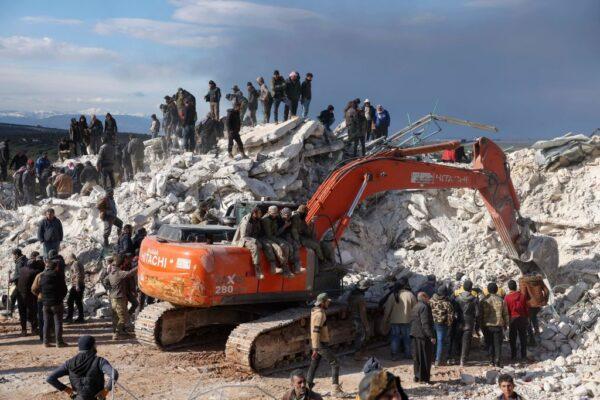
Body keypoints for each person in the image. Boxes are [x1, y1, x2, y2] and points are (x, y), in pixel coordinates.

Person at [46, 335, 118, 400]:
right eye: (95, 345)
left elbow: (50, 378)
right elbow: (113, 373)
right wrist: (106, 391)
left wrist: (67, 390)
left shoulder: (69, 363)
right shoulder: (99, 361)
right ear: (92, 346)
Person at [306, 293, 344, 396]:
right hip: (320, 344)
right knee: (335, 363)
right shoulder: (320, 314)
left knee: (314, 365)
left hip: (317, 343)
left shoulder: (315, 311)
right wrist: (315, 348)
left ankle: (306, 389)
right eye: (327, 302)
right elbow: (316, 332)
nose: (329, 303)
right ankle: (335, 390)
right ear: (323, 303)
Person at [103, 255, 138, 340]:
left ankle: (117, 331)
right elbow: (130, 273)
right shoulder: (119, 273)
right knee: (123, 318)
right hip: (119, 298)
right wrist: (139, 266)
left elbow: (105, 281)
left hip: (113, 298)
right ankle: (117, 333)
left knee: (116, 317)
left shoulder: (111, 273)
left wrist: (110, 288)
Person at [384, 277, 416, 360]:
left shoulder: (392, 295)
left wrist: (384, 320)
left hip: (394, 321)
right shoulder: (410, 295)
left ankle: (394, 355)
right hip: (407, 321)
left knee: (395, 338)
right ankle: (408, 354)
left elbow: (387, 309)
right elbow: (416, 309)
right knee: (407, 338)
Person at [38, 259, 68, 347]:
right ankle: (59, 342)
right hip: (57, 303)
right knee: (58, 322)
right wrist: (60, 298)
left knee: (46, 323)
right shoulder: (58, 276)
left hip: (45, 303)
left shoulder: (42, 276)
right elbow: (64, 290)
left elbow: (39, 289)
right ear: (56, 267)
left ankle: (45, 342)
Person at [232, 207, 268, 280]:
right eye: (259, 213)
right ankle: (257, 269)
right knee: (254, 247)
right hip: (244, 240)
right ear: (254, 213)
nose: (260, 215)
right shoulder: (246, 222)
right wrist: (255, 240)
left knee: (267, 245)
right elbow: (243, 236)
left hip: (253, 238)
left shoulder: (256, 219)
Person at [480, 282, 509, 367]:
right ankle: (497, 361)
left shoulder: (483, 301)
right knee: (497, 344)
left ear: (488, 290)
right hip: (498, 326)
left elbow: (480, 314)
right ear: (496, 290)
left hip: (487, 326)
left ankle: (491, 360)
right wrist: (506, 324)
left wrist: (480, 325)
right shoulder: (501, 300)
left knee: (489, 343)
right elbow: (505, 314)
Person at [410, 292, 435, 384]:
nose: (429, 299)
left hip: (415, 335)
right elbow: (425, 323)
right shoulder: (424, 307)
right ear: (424, 297)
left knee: (417, 358)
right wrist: (431, 336)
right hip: (423, 336)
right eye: (427, 297)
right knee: (425, 357)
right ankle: (424, 378)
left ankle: (417, 377)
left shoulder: (416, 306)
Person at [261, 205, 292, 276]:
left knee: (286, 247)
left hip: (274, 236)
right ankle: (283, 267)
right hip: (266, 238)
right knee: (279, 248)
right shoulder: (266, 220)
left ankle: (284, 267)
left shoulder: (275, 218)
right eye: (273, 214)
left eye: (276, 213)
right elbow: (269, 235)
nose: (274, 215)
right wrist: (284, 226)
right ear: (268, 212)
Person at [454, 279, 479, 366]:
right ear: (471, 288)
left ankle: (455, 357)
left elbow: (454, 311)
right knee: (466, 341)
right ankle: (463, 360)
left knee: (457, 340)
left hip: (459, 321)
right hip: (469, 322)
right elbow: (477, 313)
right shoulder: (474, 299)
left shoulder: (457, 298)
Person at [519, 273, 549, 345]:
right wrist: (544, 300)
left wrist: (521, 304)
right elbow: (547, 291)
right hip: (538, 304)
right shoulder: (539, 280)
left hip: (528, 304)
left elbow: (523, 294)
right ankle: (537, 333)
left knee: (527, 321)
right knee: (534, 317)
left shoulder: (523, 281)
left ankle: (531, 339)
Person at [504, 280, 529, 361]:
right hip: (522, 317)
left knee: (513, 337)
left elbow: (506, 310)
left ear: (509, 287)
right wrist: (527, 318)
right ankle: (523, 355)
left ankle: (513, 355)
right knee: (523, 337)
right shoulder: (522, 295)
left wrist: (506, 321)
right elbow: (526, 308)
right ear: (516, 286)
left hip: (512, 319)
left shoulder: (507, 297)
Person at [429, 285, 454, 366]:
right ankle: (438, 360)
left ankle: (431, 358)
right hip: (441, 325)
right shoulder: (447, 303)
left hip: (431, 324)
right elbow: (450, 316)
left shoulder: (431, 300)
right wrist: (449, 326)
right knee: (440, 342)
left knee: (433, 341)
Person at [348, 280, 371, 360]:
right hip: (358, 319)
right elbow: (363, 314)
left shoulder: (351, 295)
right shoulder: (361, 299)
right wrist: (367, 326)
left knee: (358, 336)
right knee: (361, 336)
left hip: (353, 317)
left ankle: (358, 353)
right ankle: (358, 355)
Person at [278, 207, 302, 273]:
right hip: (278, 237)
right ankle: (289, 264)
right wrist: (285, 226)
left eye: (289, 215)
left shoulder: (290, 219)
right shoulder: (278, 219)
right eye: (286, 215)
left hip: (286, 236)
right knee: (289, 248)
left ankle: (297, 266)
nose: (288, 217)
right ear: (282, 214)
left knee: (296, 245)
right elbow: (276, 233)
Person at [65, 254, 85, 324]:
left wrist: (77, 285)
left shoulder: (75, 264)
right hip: (79, 284)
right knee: (78, 301)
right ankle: (80, 317)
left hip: (77, 285)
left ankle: (70, 317)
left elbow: (78, 274)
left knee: (70, 301)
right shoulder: (78, 263)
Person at [8, 249, 27, 320]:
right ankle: (11, 312)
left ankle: (13, 313)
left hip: (20, 284)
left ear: (16, 254)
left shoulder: (20, 262)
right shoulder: (24, 259)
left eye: (13, 255)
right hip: (21, 283)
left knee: (16, 298)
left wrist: (12, 279)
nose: (13, 257)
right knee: (14, 297)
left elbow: (21, 274)